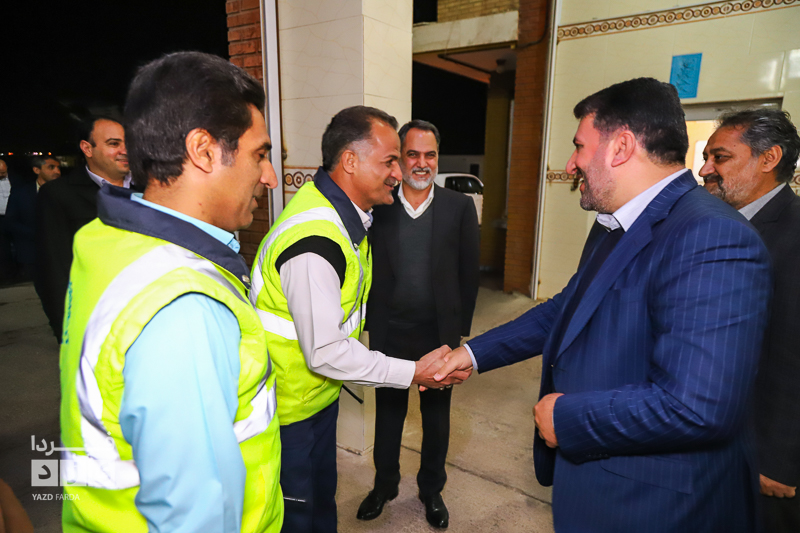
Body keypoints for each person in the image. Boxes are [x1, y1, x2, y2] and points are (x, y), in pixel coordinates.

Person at [434, 77, 772, 532]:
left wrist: (567, 418)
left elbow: (697, 407)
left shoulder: (713, 237)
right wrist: (472, 354)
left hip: (655, 507)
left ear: (621, 147)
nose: (571, 163)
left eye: (579, 146)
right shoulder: (613, 221)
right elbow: (567, 308)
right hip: (600, 488)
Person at [59, 51, 283, 532]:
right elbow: (194, 515)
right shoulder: (186, 307)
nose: (269, 176)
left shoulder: (106, 239)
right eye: (260, 154)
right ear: (203, 150)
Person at [250, 106, 470, 533]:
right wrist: (412, 371)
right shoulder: (316, 241)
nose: (398, 172)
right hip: (288, 410)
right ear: (350, 161)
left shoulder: (348, 219)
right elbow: (325, 352)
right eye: (390, 161)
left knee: (320, 502)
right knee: (297, 513)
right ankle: (383, 486)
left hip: (317, 398)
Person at [356, 120, 479, 528]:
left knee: (437, 420)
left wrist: (458, 335)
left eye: (430, 155)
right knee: (388, 416)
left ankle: (431, 490)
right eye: (413, 154)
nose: (422, 163)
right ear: (400, 158)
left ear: (437, 158)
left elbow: (468, 273)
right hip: (390, 331)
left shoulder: (459, 208)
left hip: (437, 336)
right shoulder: (380, 207)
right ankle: (384, 486)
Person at [700, 108, 800, 533]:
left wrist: (779, 457)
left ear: (768, 158)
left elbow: (793, 351)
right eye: (706, 157)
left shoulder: (794, 233)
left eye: (720, 158)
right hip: (713, 434)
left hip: (761, 452)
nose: (705, 170)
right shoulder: (719, 223)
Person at [35, 115, 132, 341]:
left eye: (129, 143)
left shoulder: (153, 190)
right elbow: (53, 270)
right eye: (114, 143)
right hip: (96, 324)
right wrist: (67, 332)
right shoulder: (58, 195)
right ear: (87, 148)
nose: (125, 151)